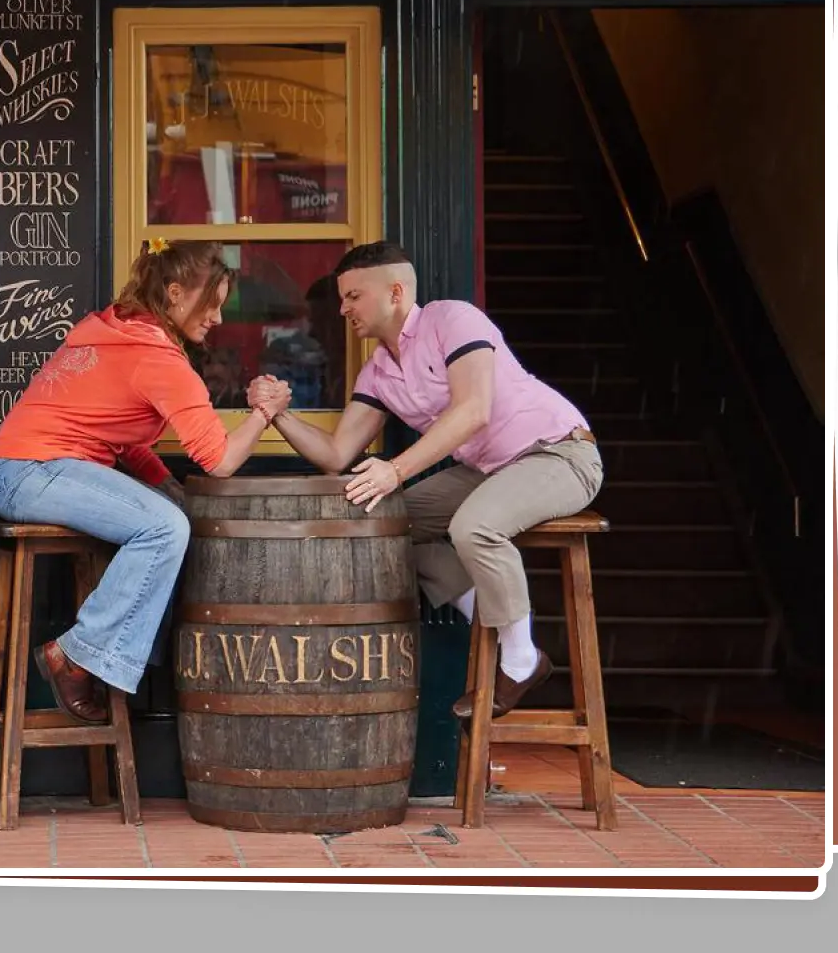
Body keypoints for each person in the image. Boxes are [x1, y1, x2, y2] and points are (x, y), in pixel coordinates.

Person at [253, 241, 602, 718]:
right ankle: (496, 621)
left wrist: (395, 470)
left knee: (473, 527)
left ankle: (522, 660)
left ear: (395, 292)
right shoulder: (378, 371)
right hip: (488, 469)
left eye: (354, 296)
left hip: (558, 452)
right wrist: (278, 415)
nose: (343, 309)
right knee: (388, 527)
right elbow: (336, 454)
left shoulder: (452, 319)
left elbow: (474, 410)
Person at [0, 240, 278, 722]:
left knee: (171, 515)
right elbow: (220, 460)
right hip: (33, 472)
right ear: (176, 293)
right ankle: (76, 656)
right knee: (165, 528)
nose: (218, 318)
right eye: (211, 303)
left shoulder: (116, 330)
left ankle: (109, 659)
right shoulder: (158, 359)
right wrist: (264, 413)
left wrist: (169, 487)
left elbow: (116, 436)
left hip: (17, 470)